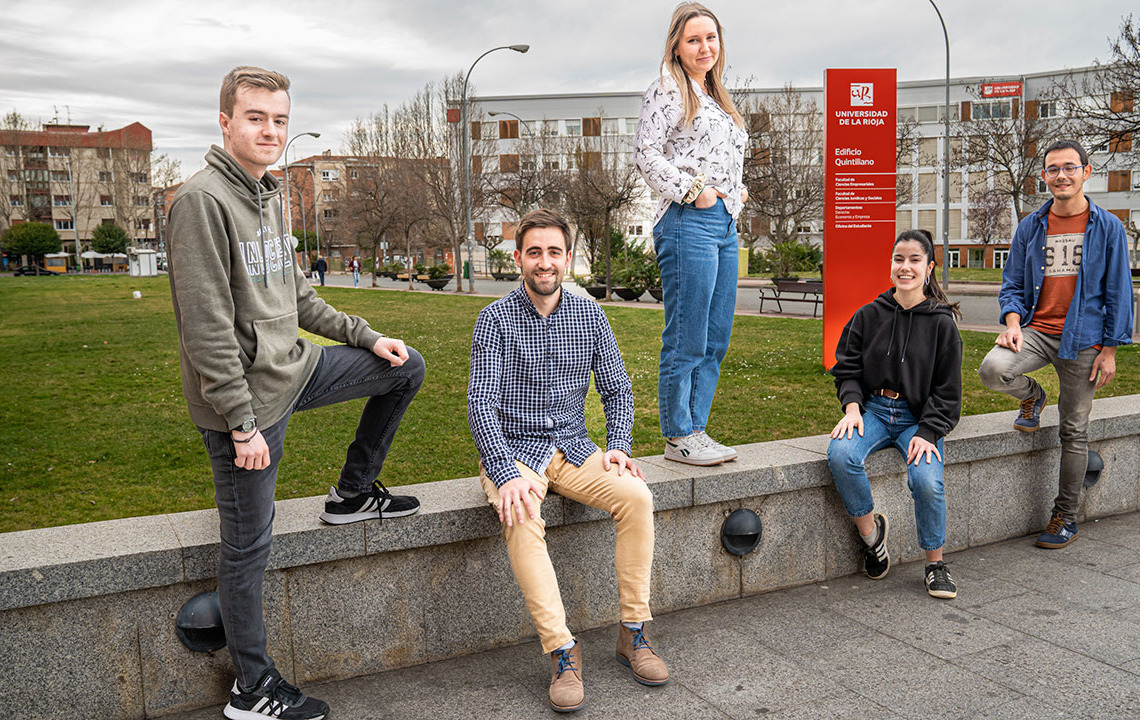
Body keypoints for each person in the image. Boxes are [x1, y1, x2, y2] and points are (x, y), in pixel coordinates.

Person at [167, 66, 426, 720]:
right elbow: (206, 329)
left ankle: (352, 493)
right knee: (249, 544)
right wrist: (241, 424)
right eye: (256, 118)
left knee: (405, 367)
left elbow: (298, 299)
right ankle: (251, 689)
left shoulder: (269, 195)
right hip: (246, 405)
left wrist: (366, 338)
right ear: (225, 122)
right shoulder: (201, 202)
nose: (271, 131)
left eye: (279, 119)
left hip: (296, 367)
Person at [468, 208, 667, 713]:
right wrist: (504, 472)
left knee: (637, 497)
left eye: (554, 252)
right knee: (520, 513)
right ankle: (562, 651)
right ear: (518, 259)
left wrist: (618, 444)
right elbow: (481, 405)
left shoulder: (590, 315)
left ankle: (633, 633)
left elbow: (618, 390)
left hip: (575, 449)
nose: (545, 262)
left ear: (568, 258)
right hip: (517, 452)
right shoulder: (495, 319)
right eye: (534, 252)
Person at [978, 139, 1133, 550]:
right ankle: (1033, 396)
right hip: (1037, 330)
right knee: (993, 369)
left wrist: (1110, 350)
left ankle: (1066, 515)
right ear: (1043, 176)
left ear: (1086, 171)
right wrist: (1012, 323)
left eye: (1069, 167)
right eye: (1052, 169)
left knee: (1074, 430)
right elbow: (1011, 282)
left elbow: (1119, 291)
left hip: (1084, 340)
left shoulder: (1108, 226)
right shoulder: (1031, 225)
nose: (1060, 175)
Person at [635, 2, 748, 467]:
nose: (705, 47)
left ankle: (697, 430)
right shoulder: (665, 88)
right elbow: (646, 154)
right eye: (694, 39)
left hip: (724, 223)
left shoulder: (719, 97)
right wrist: (693, 191)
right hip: (687, 221)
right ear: (677, 47)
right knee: (688, 336)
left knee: (717, 336)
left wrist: (736, 195)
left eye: (711, 38)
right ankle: (678, 434)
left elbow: (725, 161)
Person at [827, 230, 963, 599]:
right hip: (872, 409)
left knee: (927, 479)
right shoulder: (869, 315)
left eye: (915, 260)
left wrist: (929, 432)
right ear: (890, 266)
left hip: (917, 419)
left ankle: (935, 564)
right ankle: (873, 539)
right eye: (899, 259)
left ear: (929, 267)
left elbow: (947, 392)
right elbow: (847, 368)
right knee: (841, 453)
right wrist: (852, 407)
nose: (905, 267)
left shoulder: (942, 324)